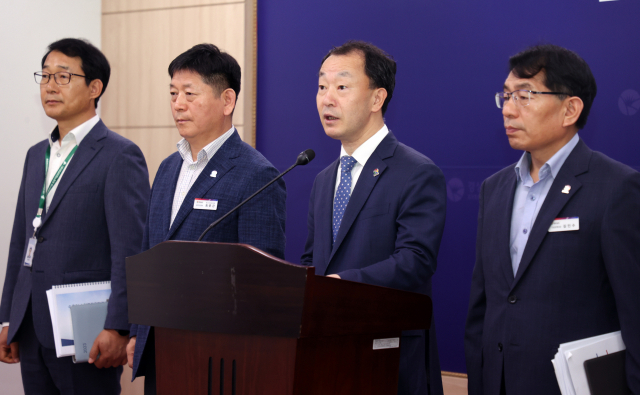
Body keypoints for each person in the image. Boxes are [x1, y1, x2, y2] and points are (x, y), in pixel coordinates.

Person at [465, 44, 640, 395]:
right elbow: (484, 306)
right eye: (506, 96)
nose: (509, 110)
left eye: (525, 96)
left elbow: (635, 312)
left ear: (570, 109)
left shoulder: (616, 188)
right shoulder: (494, 189)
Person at [127, 43, 287, 394]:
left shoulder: (256, 175)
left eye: (189, 93)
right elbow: (148, 256)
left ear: (227, 101)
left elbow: (263, 284)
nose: (178, 104)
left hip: (220, 360)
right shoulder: (168, 168)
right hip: (160, 348)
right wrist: (137, 333)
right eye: (172, 93)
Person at [0, 38, 150, 394]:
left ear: (95, 88)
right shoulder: (36, 155)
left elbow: (130, 250)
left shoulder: (120, 155)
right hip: (32, 327)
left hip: (85, 331)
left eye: (63, 76)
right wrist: (9, 316)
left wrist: (118, 327)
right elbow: (22, 241)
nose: (50, 85)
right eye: (45, 76)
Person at [301, 40, 447, 395]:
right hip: (328, 357)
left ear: (377, 99)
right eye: (322, 87)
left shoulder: (416, 172)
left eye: (341, 87)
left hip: (390, 359)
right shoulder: (324, 179)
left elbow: (415, 261)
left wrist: (339, 285)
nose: (327, 98)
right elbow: (311, 260)